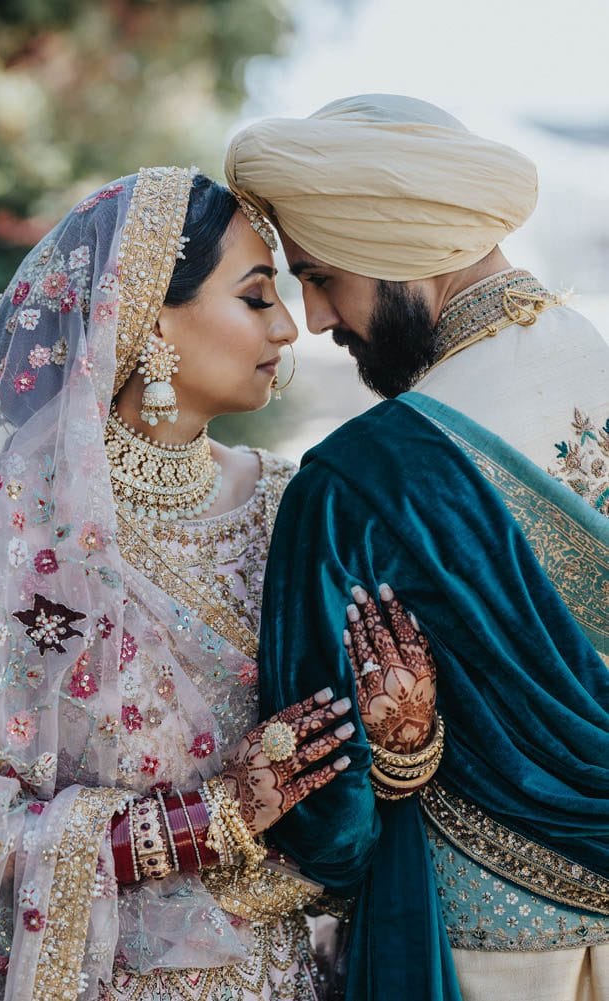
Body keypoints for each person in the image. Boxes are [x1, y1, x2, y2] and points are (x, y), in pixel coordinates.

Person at [0, 165, 377, 1001]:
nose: (290, 328)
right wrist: (198, 822)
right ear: (140, 314)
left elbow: (350, 765)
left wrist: (400, 736)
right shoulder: (23, 518)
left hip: (296, 972)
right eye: (256, 297)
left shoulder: (296, 504)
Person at [225, 95, 609, 1000]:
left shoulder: (359, 481)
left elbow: (326, 823)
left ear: (394, 247)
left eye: (318, 274)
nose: (315, 318)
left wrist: (399, 756)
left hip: (485, 953)